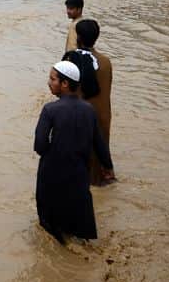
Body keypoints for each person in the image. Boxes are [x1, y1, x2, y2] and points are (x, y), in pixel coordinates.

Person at [34, 61, 113, 244]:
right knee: (77, 223)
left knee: (50, 227)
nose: (49, 82)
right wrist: (107, 167)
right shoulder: (89, 110)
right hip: (79, 173)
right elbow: (99, 143)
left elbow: (39, 145)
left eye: (52, 79)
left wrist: (52, 154)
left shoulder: (50, 110)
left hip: (52, 173)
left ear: (65, 84)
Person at [67, 19, 115, 185]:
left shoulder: (72, 61)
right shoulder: (106, 62)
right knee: (98, 162)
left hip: (79, 117)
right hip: (102, 116)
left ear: (78, 38)